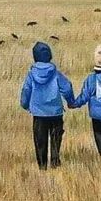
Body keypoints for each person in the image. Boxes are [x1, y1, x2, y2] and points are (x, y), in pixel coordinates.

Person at [20, 41, 75, 170]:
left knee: (40, 141)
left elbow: (26, 91)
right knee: (55, 139)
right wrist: (70, 101)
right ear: (50, 55)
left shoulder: (31, 75)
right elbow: (67, 87)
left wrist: (25, 104)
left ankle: (42, 166)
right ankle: (55, 162)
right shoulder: (56, 73)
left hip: (39, 114)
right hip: (55, 112)